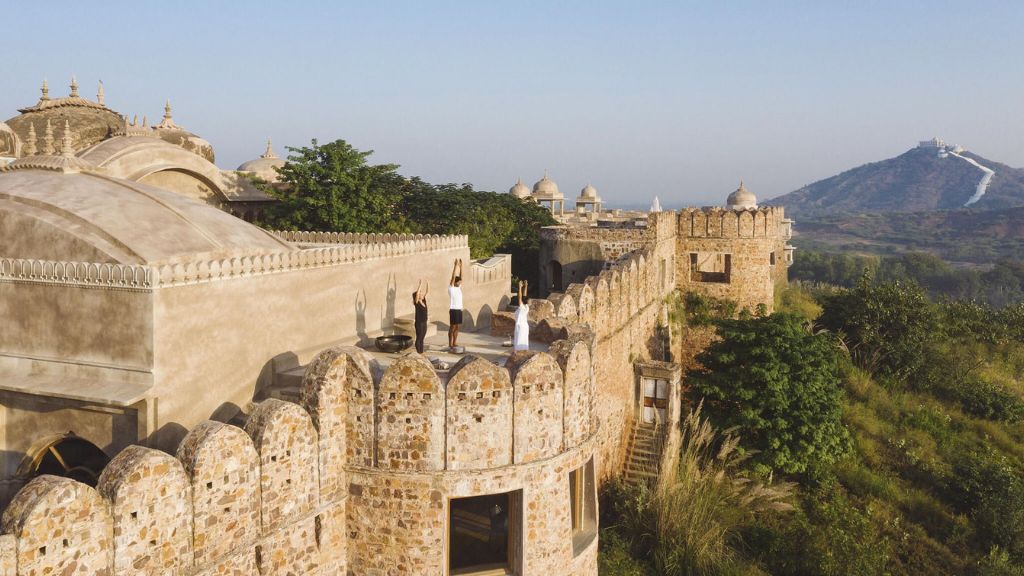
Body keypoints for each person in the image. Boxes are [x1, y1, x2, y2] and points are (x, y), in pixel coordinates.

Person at [448, 258, 464, 350]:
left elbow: (461, 276)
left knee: (457, 327)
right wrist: (455, 266)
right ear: (455, 282)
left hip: (459, 309)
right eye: (459, 281)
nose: (460, 282)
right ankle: (450, 343)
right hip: (453, 309)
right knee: (452, 327)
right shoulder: (451, 288)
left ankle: (454, 342)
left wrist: (461, 267)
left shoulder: (458, 288)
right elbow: (453, 277)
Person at [513, 280, 530, 352]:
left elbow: (520, 298)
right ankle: (523, 351)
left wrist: (520, 287)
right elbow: (524, 297)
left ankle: (518, 353)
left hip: (520, 327)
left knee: (518, 341)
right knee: (524, 340)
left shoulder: (522, 307)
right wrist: (526, 286)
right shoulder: (526, 307)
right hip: (525, 326)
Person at [413, 279, 428, 354]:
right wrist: (420, 284)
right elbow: (417, 294)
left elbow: (427, 292)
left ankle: (421, 352)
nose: (421, 294)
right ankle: (418, 351)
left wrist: (428, 283)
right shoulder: (417, 303)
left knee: (422, 338)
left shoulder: (423, 301)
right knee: (419, 338)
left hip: (424, 322)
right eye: (419, 294)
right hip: (419, 323)